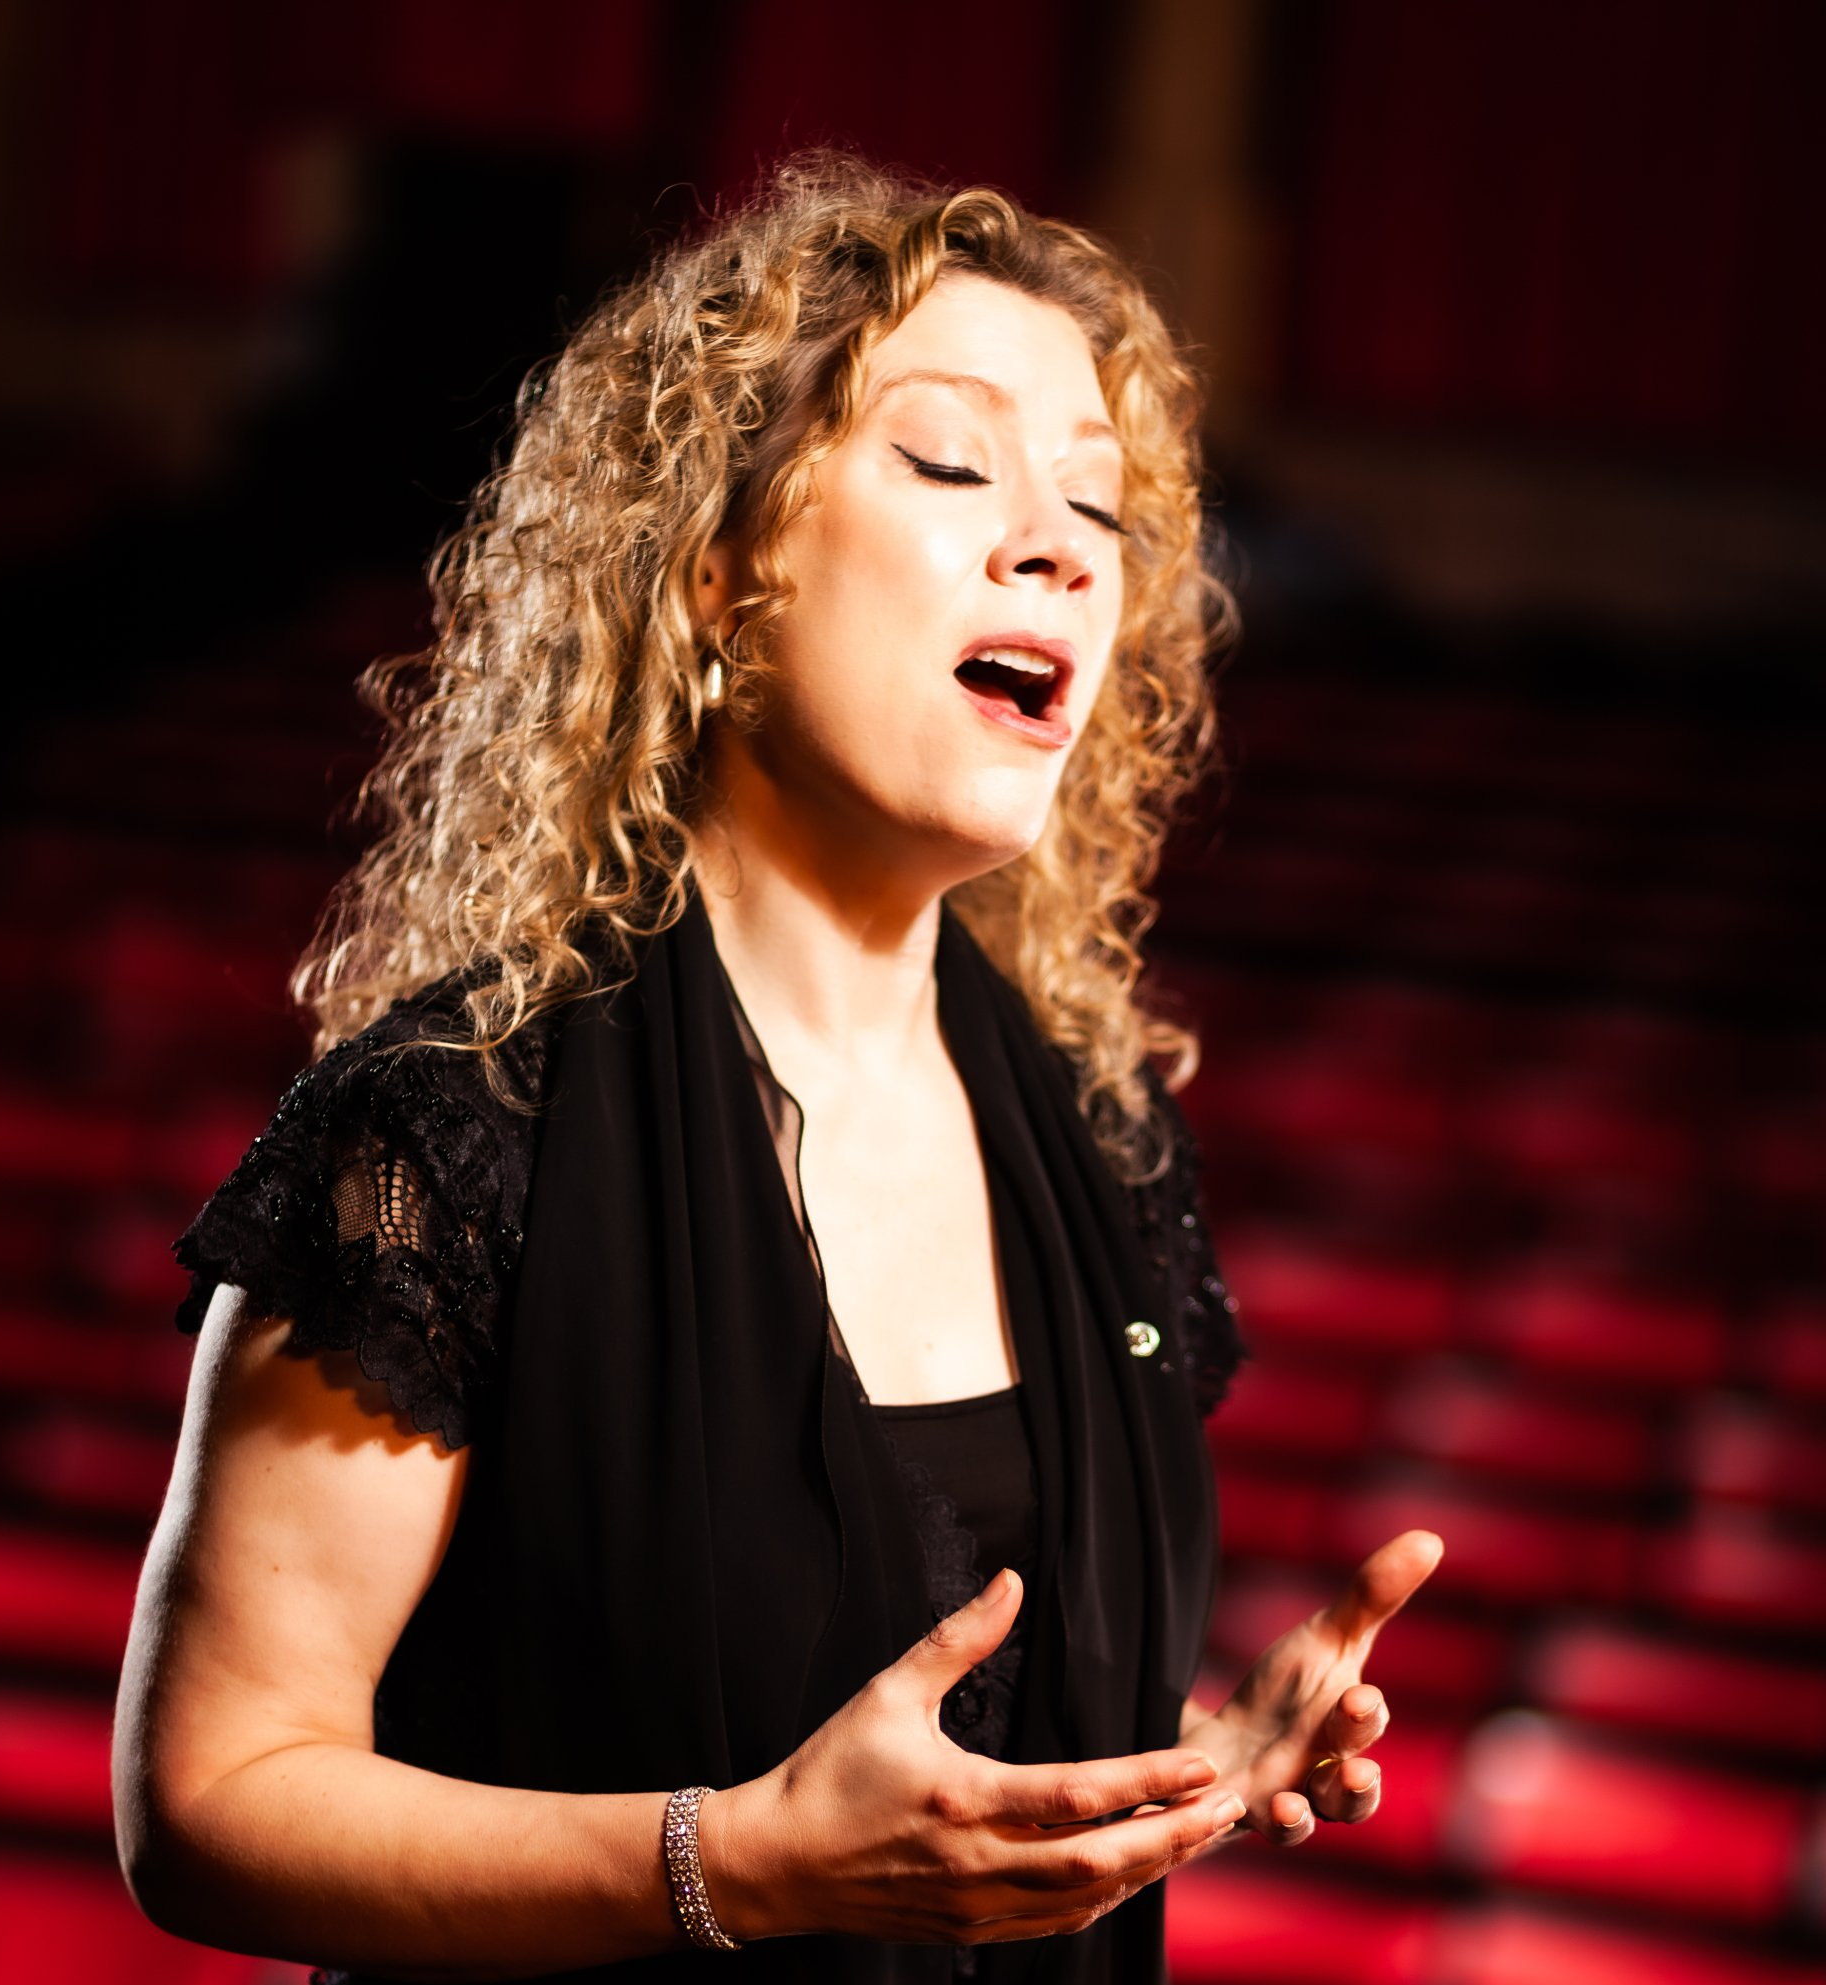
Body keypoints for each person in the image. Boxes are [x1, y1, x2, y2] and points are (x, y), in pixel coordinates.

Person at [112, 152, 1441, 1985]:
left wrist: (1176, 1777)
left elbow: (930, 1691)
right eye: (953, 461)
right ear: (723, 572)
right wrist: (733, 1865)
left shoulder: (1105, 1143)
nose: (1058, 541)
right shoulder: (446, 1130)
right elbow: (209, 1801)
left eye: (1099, 505)